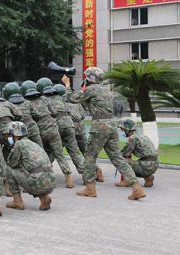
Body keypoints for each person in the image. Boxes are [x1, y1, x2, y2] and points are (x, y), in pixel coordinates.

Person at [62, 69, 146, 200]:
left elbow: (71, 98)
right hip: (111, 125)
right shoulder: (107, 91)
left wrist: (67, 86)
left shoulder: (92, 89)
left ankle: (90, 188)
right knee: (117, 158)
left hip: (99, 126)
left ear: (89, 79)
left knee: (90, 156)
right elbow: (88, 104)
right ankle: (136, 187)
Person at [21, 80, 75, 189]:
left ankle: (44, 177)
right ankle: (69, 179)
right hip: (53, 129)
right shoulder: (44, 99)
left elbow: (27, 119)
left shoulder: (26, 103)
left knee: (43, 155)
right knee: (60, 155)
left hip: (40, 131)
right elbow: (54, 113)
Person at [5, 121, 56, 211]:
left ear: (15, 135)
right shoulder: (34, 144)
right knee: (35, 173)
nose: (9, 137)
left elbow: (13, 163)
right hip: (51, 181)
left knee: (9, 169)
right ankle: (44, 198)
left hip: (37, 182)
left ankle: (17, 202)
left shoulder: (19, 144)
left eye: (10, 134)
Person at [44, 82, 85, 177]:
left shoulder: (45, 100)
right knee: (75, 151)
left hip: (56, 126)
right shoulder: (63, 100)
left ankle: (45, 172)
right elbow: (74, 114)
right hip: (69, 125)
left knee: (50, 150)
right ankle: (87, 174)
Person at [117, 118, 158, 188]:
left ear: (127, 129)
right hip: (153, 164)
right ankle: (148, 178)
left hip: (146, 165)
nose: (122, 131)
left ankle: (128, 180)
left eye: (122, 129)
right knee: (139, 162)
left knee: (121, 161)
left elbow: (125, 153)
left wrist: (116, 153)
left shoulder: (133, 138)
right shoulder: (142, 136)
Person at [2, 82, 43, 148]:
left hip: (19, 132)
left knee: (21, 150)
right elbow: (37, 115)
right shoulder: (27, 102)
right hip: (32, 129)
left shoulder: (7, 104)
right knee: (39, 149)